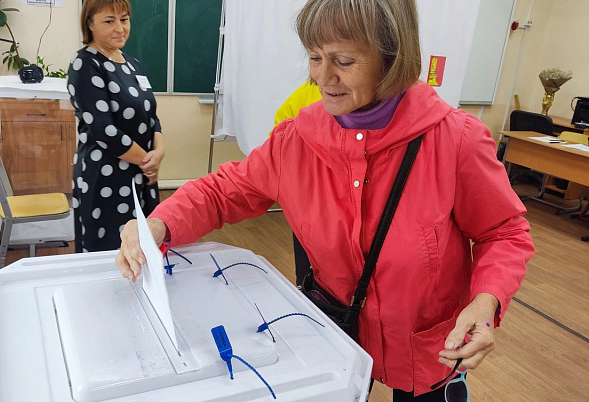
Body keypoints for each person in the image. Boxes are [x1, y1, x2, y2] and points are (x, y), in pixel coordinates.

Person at [116, 0, 535, 399]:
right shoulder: (297, 138)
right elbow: (224, 191)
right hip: (336, 332)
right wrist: (159, 223)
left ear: (392, 57)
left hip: (435, 344)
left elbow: (505, 231)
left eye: (344, 61)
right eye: (315, 57)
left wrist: (486, 303)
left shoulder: (455, 140)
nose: (323, 77)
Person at [67, 0, 164, 253]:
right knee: (109, 248)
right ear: (90, 24)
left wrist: (159, 151)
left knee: (141, 247)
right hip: (106, 177)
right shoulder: (85, 64)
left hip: (140, 173)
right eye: (109, 21)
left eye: (124, 19)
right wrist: (147, 162)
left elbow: (151, 115)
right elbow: (104, 131)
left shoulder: (133, 64)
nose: (119, 28)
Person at [273, 81, 322, 285]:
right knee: (307, 269)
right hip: (310, 200)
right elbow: (279, 142)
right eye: (316, 59)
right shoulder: (306, 95)